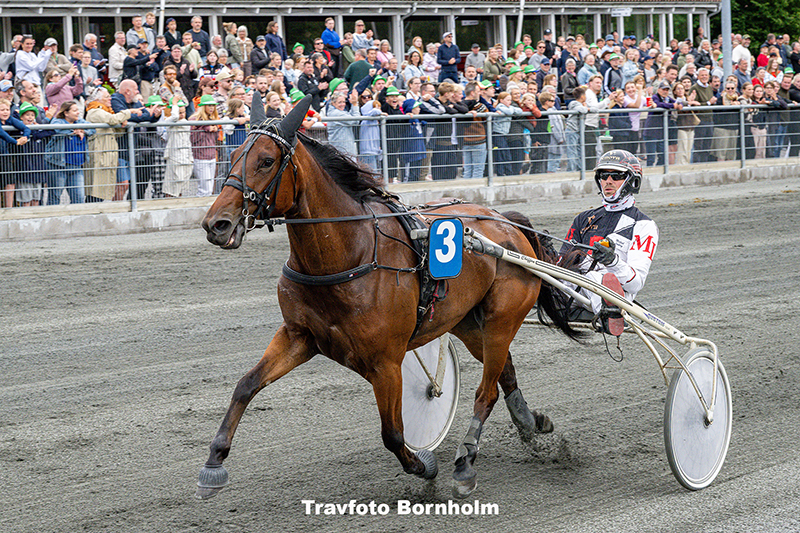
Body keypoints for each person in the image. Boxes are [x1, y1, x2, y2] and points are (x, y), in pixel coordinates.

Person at [560, 150, 658, 326]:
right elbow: (561, 264)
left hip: (615, 294)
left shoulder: (644, 225)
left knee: (594, 277)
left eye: (617, 176)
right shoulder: (583, 219)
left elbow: (635, 284)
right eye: (604, 175)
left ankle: (611, 315)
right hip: (575, 290)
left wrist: (612, 261)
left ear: (632, 181)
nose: (608, 181)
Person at [84, 87, 134, 203]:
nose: (110, 99)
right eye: (107, 97)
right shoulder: (95, 111)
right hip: (99, 154)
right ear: (98, 99)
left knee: (101, 189)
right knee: (95, 190)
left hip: (106, 153)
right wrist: (129, 112)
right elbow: (112, 119)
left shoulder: (105, 111)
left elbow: (115, 131)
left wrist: (121, 125)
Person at [44, 100, 96, 205]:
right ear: (66, 113)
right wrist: (74, 131)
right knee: (55, 197)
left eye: (78, 110)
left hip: (76, 167)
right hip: (58, 166)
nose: (78, 112)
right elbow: (57, 129)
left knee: (79, 198)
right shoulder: (58, 121)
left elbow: (92, 128)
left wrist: (83, 131)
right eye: (75, 110)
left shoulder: (80, 121)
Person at [13, 102, 52, 206]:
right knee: (25, 201)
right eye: (27, 115)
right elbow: (12, 118)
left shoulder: (38, 130)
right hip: (24, 172)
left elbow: (52, 131)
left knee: (36, 200)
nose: (30, 117)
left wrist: (39, 127)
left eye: (32, 115)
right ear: (21, 117)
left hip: (38, 171)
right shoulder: (17, 130)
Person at [159, 98, 194, 197]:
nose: (181, 115)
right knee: (171, 184)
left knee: (182, 184)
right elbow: (174, 117)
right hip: (174, 156)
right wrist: (174, 103)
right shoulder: (170, 121)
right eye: (179, 112)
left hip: (186, 156)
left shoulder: (186, 122)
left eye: (183, 112)